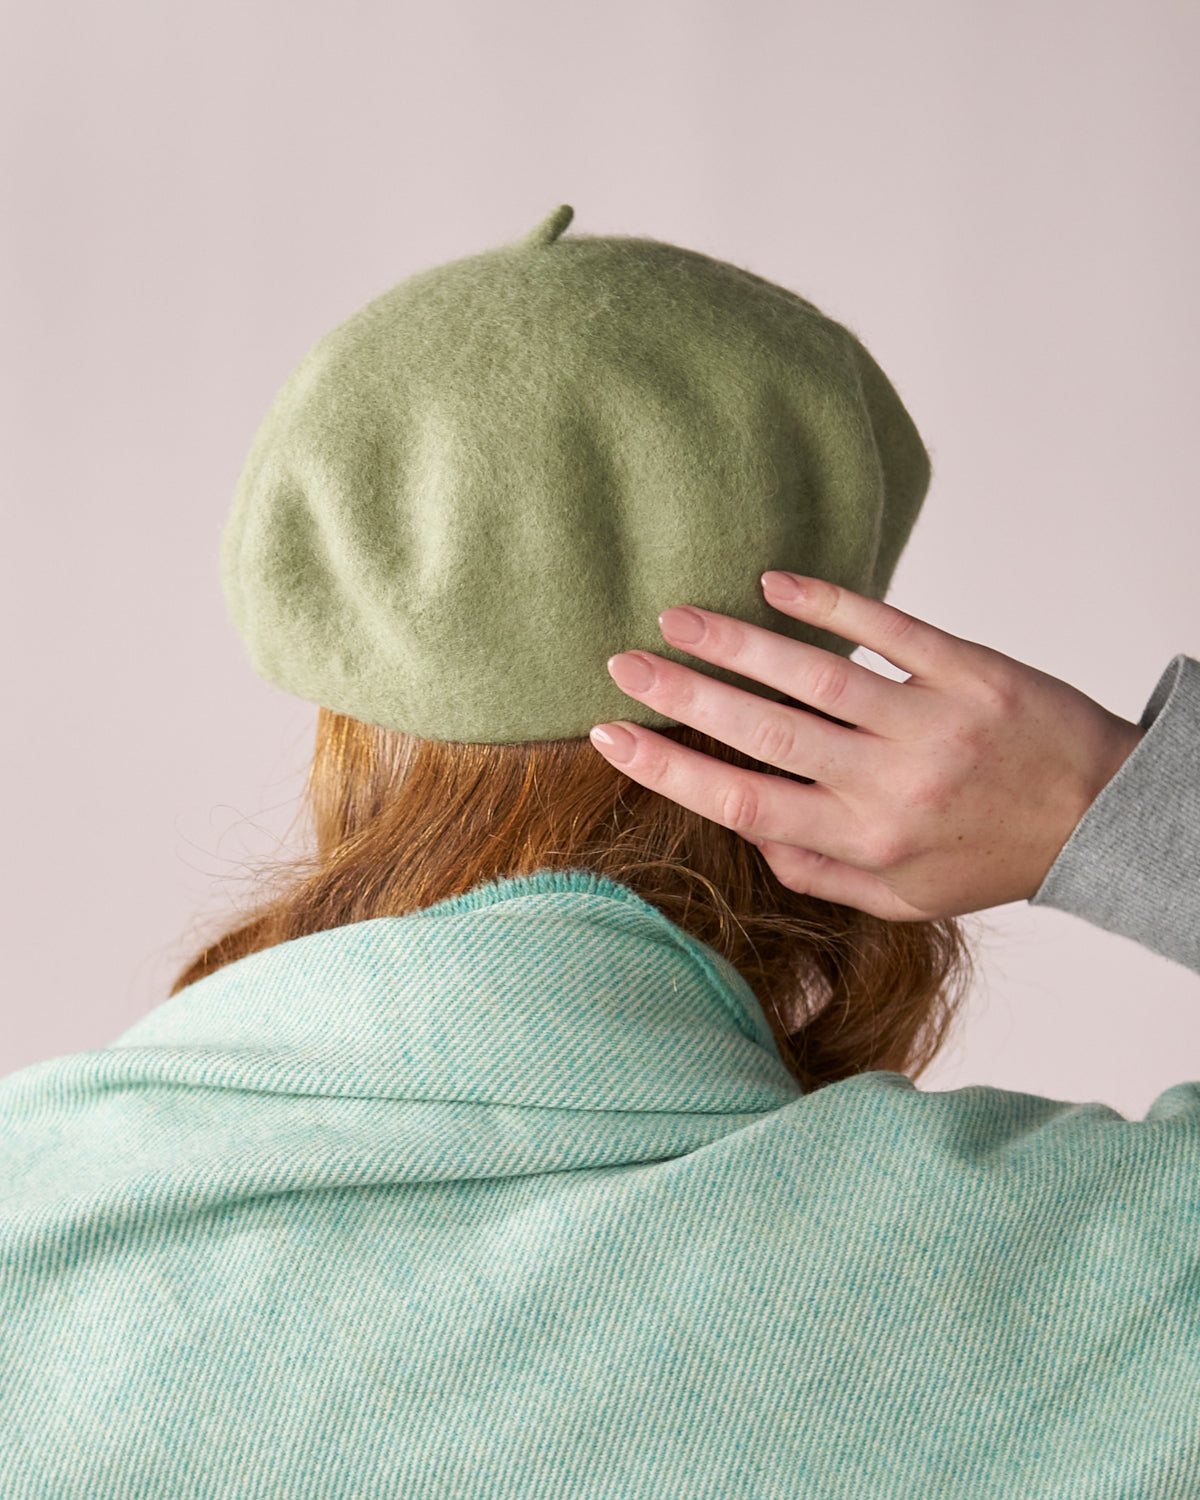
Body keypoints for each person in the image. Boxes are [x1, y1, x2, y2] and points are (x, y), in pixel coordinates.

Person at [1, 205, 1197, 1498]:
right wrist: (1118, 803)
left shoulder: (41, 1221)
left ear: (338, 694)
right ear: (828, 690)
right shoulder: (1108, 1275)